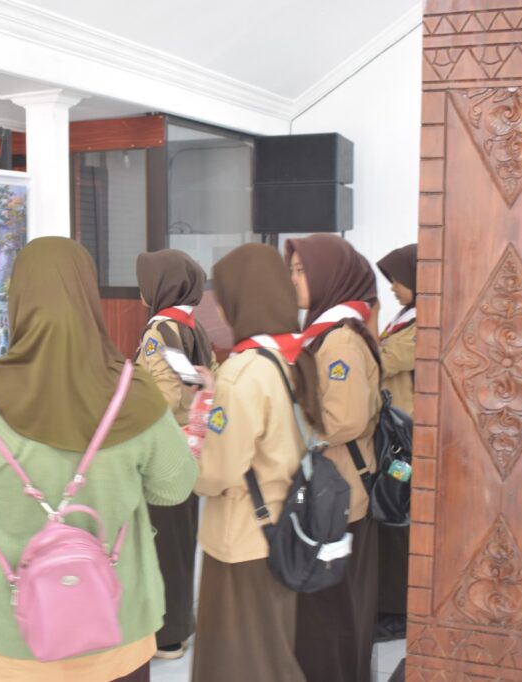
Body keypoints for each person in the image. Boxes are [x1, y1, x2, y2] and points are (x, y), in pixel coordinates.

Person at [0, 237, 199, 682]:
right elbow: (174, 486)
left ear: (17, 301)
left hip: (8, 638)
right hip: (118, 629)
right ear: (88, 298)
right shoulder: (135, 393)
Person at [190, 243, 321, 682]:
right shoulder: (294, 356)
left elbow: (218, 472)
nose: (220, 310)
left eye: (223, 299)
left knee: (238, 661)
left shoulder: (244, 371)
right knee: (272, 650)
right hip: (286, 528)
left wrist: (190, 466)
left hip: (243, 537)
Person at [285, 233, 381, 682]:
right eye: (291, 270)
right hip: (335, 491)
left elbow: (344, 420)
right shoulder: (326, 332)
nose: (293, 279)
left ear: (329, 275)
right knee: (335, 606)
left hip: (339, 496)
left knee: (332, 609)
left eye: (302, 271)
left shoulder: (339, 340)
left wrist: (286, 424)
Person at [134, 249, 217, 660]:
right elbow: (207, 382)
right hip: (191, 450)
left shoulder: (160, 330)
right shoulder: (192, 327)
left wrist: (128, 409)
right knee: (181, 542)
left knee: (162, 544)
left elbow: (164, 397)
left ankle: (166, 635)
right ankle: (180, 626)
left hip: (163, 453)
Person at [375, 243, 418, 641]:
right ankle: (391, 603)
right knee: (390, 515)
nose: (392, 287)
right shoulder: (406, 318)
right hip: (393, 435)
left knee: (398, 517)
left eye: (398, 280)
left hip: (406, 440)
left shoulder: (424, 324)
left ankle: (400, 611)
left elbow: (383, 361)